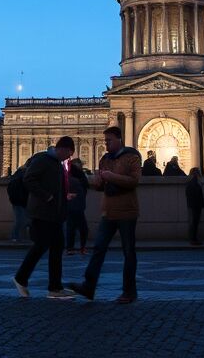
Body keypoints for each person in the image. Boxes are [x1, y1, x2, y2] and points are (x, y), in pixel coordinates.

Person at [68, 126, 141, 304]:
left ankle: (129, 291)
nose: (106, 144)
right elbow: (100, 186)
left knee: (128, 252)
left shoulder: (132, 157)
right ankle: (89, 286)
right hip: (108, 211)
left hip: (127, 211)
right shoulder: (105, 159)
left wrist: (110, 176)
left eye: (109, 140)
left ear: (119, 139)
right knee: (98, 249)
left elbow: (134, 181)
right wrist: (97, 181)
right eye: (105, 141)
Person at [13, 136, 77, 298]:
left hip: (53, 214)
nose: (68, 158)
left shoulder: (55, 163)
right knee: (41, 246)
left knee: (55, 248)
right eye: (68, 154)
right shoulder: (42, 160)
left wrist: (63, 197)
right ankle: (22, 278)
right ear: (62, 149)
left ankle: (54, 287)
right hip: (42, 213)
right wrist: (46, 196)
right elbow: (28, 179)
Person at [64, 157, 89, 255]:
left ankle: (70, 248)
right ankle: (79, 248)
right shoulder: (77, 178)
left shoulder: (69, 177)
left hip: (73, 206)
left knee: (72, 228)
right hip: (76, 206)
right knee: (82, 228)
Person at [7, 164, 29, 242]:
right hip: (21, 201)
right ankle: (15, 236)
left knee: (20, 220)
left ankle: (17, 237)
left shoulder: (16, 177)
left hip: (16, 201)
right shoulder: (23, 176)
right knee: (21, 220)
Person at [185, 167, 204, 245]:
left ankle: (193, 238)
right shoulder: (195, 182)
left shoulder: (190, 182)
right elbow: (197, 194)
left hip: (193, 204)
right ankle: (194, 239)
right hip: (196, 205)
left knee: (194, 222)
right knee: (195, 222)